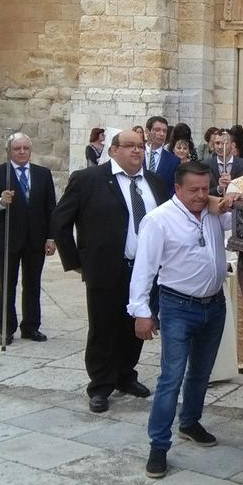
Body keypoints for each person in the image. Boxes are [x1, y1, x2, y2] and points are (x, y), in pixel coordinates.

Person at [129, 162, 235, 478]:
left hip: (214, 304)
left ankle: (190, 421)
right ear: (177, 188)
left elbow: (241, 218)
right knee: (171, 377)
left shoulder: (214, 212)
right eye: (194, 190)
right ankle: (158, 445)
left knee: (202, 372)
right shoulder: (159, 221)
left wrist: (227, 201)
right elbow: (144, 269)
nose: (201, 195)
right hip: (177, 306)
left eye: (206, 189)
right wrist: (141, 312)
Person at [52, 130, 169, 413]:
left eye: (140, 146)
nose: (137, 151)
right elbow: (59, 221)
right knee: (104, 328)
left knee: (137, 326)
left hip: (146, 272)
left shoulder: (155, 182)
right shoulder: (88, 179)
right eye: (129, 146)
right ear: (113, 150)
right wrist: (78, 261)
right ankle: (101, 384)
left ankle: (126, 375)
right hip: (106, 269)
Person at [0, 133, 57, 345]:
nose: (22, 152)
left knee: (32, 284)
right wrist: (0, 203)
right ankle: (6, 328)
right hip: (7, 240)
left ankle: (31, 327)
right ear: (9, 151)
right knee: (7, 285)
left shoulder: (43, 174)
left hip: (35, 240)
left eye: (25, 148)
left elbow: (51, 208)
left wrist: (51, 237)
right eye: (17, 149)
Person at [206, 129, 243, 196]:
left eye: (224, 144)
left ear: (233, 145)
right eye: (217, 143)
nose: (220, 147)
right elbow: (203, 192)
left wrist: (232, 185)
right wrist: (219, 188)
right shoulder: (205, 165)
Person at [144, 116, 181, 196]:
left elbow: (173, 187)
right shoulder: (136, 154)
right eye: (157, 130)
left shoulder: (174, 161)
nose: (161, 134)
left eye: (164, 131)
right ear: (147, 131)